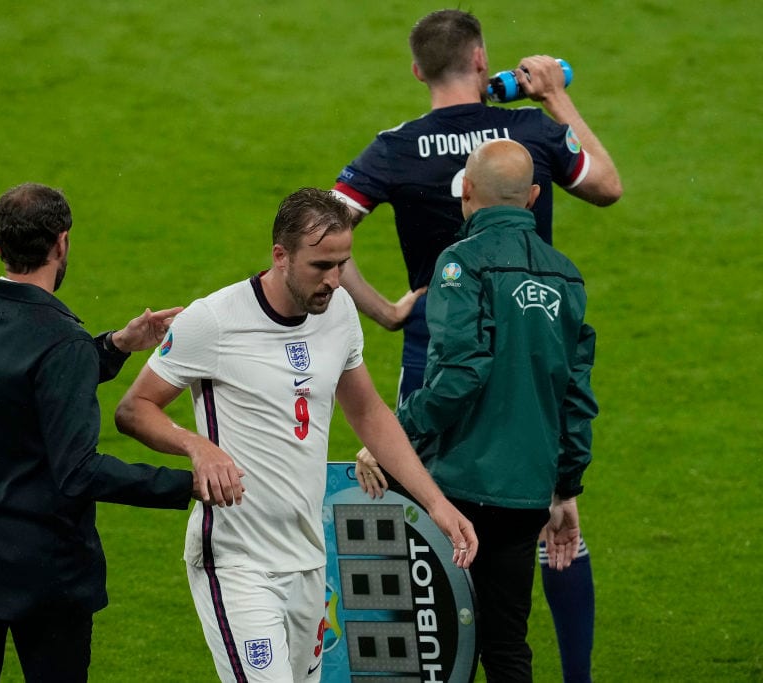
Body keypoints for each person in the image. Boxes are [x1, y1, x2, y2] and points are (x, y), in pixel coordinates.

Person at [332, 10, 620, 681]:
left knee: (426, 525)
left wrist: (385, 311)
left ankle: (431, 668)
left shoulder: (395, 147)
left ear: (416, 69)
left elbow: (322, 233)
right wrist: (554, 92)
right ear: (482, 58)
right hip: (531, 355)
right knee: (552, 515)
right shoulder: (530, 132)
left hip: (434, 363)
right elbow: (606, 185)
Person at [113, 187, 478, 683]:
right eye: (320, 266)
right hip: (236, 560)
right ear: (280, 256)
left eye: (342, 264)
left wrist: (435, 503)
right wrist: (196, 445)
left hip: (308, 559)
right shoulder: (214, 321)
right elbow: (134, 408)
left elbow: (368, 411)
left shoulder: (340, 314)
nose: (333, 280)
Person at [0, 182, 218, 682]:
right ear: (62, 243)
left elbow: (14, 379)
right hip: (42, 571)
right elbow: (79, 472)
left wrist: (116, 345)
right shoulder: (60, 340)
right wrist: (188, 484)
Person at [357, 139, 598, 682]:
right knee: (507, 646)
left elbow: (460, 374)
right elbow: (576, 399)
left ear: (465, 192)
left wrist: (395, 436)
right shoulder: (567, 276)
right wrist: (565, 488)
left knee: (432, 643)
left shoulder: (460, 264)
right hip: (526, 495)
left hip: (457, 489)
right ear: (534, 197)